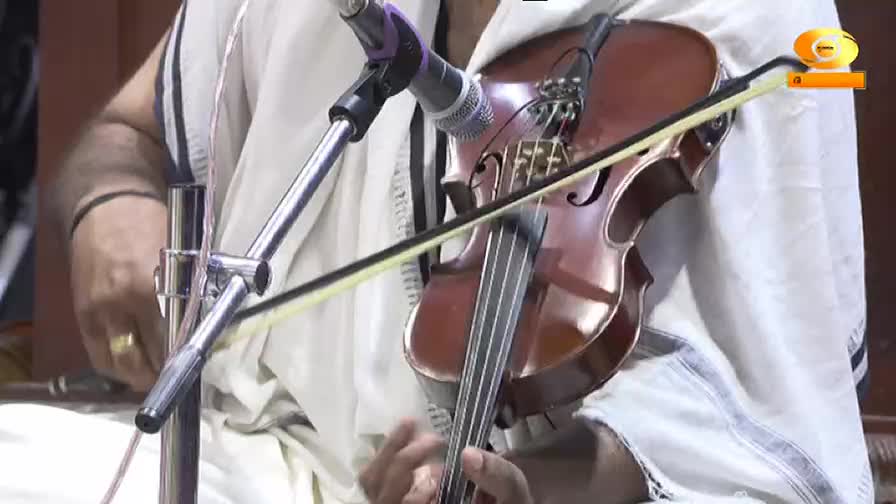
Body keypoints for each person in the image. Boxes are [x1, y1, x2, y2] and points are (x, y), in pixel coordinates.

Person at [0, 0, 870, 502]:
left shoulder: (749, 15)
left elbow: (761, 418)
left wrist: (517, 485)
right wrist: (111, 208)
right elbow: (128, 133)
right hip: (270, 457)